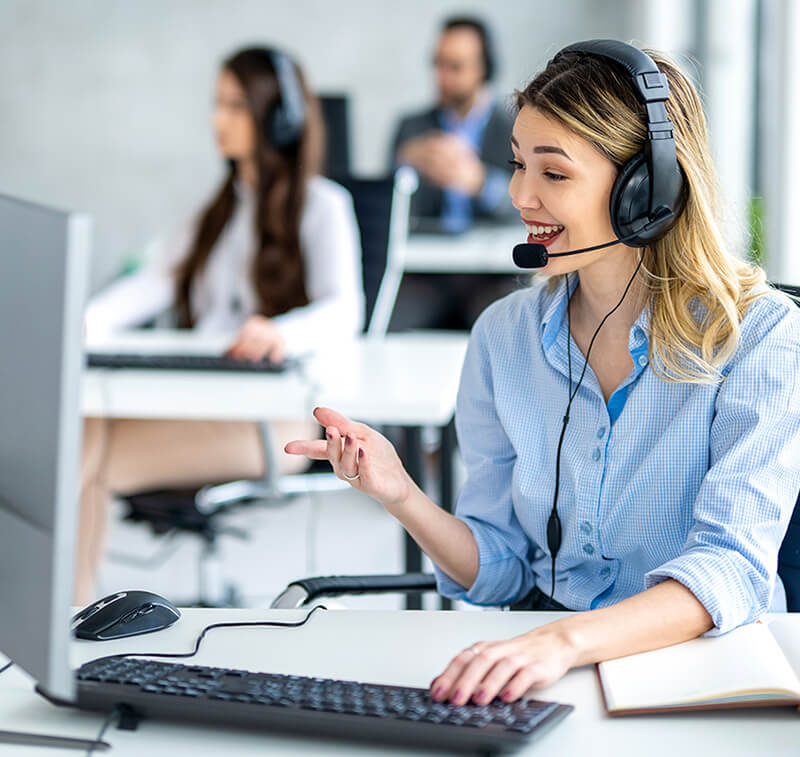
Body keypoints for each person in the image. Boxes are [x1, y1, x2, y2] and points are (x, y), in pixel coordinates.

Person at [286, 41, 800, 705]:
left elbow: (729, 566)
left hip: (702, 674)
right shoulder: (504, 338)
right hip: (555, 669)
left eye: (553, 174)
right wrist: (401, 493)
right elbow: (499, 565)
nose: (519, 195)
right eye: (517, 164)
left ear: (649, 188)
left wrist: (563, 640)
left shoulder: (758, 338)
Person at [78, 47, 364, 605]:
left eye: (235, 105)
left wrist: (283, 331)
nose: (218, 120)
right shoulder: (219, 210)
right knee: (82, 435)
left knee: (78, 458)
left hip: (269, 420)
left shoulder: (324, 206)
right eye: (217, 104)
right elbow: (153, 283)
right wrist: (79, 323)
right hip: (204, 404)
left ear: (277, 118)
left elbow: (344, 310)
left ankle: (63, 620)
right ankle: (68, 616)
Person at [389, 16, 520, 330]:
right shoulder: (412, 129)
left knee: (506, 323)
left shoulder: (515, 127)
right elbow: (390, 209)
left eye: (455, 66)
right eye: (438, 64)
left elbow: (529, 206)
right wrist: (404, 167)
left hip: (492, 275)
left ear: (483, 69)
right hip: (427, 274)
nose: (442, 77)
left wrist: (479, 183)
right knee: (390, 318)